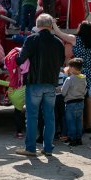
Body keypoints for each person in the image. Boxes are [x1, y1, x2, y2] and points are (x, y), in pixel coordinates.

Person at [15, 14, 65, 156]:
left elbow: (20, 59)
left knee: (32, 116)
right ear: (50, 26)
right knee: (49, 116)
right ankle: (48, 148)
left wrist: (17, 56)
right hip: (51, 84)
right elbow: (61, 63)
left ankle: (30, 148)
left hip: (34, 83)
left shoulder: (32, 40)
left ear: (38, 25)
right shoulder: (58, 42)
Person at [53, 21, 91, 133]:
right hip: (90, 70)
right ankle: (89, 125)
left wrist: (53, 23)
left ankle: (81, 126)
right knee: (88, 98)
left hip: (80, 70)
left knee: (79, 97)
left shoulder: (76, 39)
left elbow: (60, 34)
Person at [62, 58, 87, 146]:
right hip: (81, 102)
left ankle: (72, 139)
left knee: (71, 121)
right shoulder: (83, 78)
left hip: (71, 103)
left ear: (72, 68)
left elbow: (63, 92)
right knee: (79, 121)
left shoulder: (69, 79)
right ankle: (79, 138)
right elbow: (85, 91)